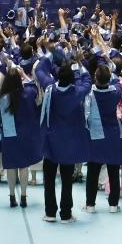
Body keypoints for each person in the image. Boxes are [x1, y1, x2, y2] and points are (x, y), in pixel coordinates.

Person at [39, 61, 88, 223]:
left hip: (51, 143)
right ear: (72, 79)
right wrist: (78, 66)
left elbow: (40, 70)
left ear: (58, 77)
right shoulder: (77, 92)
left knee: (49, 180)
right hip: (69, 144)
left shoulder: (50, 89)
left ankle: (50, 213)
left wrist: (50, 54)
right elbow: (87, 81)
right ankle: (66, 214)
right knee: (67, 181)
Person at [0, 62, 41, 208]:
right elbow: (34, 87)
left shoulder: (2, 98)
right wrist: (24, 75)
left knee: (10, 166)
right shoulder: (27, 94)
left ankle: (11, 196)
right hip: (25, 135)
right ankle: (23, 196)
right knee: (24, 166)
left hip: (9, 136)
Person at [84, 66, 122, 213]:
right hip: (112, 135)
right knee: (113, 170)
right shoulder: (115, 92)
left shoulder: (89, 92)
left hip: (95, 136)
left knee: (93, 172)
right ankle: (113, 205)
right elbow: (118, 82)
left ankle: (90, 205)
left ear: (95, 78)